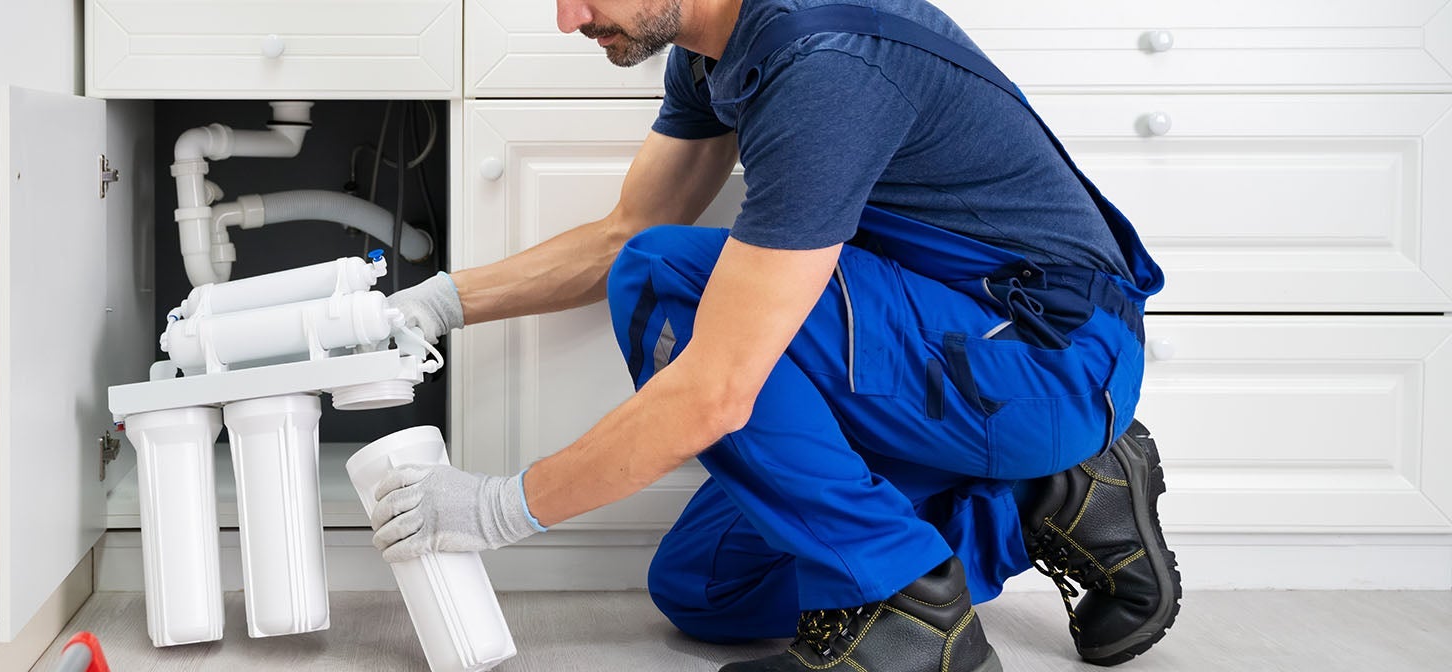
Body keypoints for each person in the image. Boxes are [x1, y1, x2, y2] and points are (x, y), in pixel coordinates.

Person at [376, 1, 1180, 669]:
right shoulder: (708, 54)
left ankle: (906, 620)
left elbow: (716, 391)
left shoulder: (827, 65)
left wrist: (497, 509)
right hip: (946, 357)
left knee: (669, 278)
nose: (568, 17)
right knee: (705, 588)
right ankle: (1043, 495)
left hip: (1043, 358)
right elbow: (626, 230)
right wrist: (433, 305)